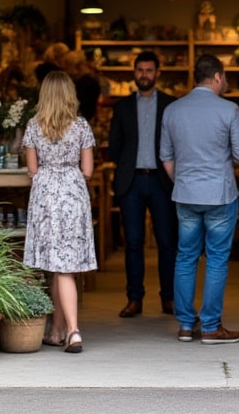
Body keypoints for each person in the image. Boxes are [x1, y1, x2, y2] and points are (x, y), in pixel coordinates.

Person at [160, 53, 239, 345]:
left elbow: (166, 158)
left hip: (185, 193)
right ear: (218, 77)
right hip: (219, 195)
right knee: (216, 259)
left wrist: (185, 182)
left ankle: (186, 325)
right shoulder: (229, 109)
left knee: (185, 257)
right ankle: (211, 326)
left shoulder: (172, 110)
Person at [22, 70, 97, 354]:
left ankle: (72, 330)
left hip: (45, 196)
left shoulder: (33, 125)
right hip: (73, 195)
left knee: (59, 265)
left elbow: (32, 169)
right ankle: (58, 331)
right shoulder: (80, 126)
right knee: (62, 266)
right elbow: (88, 170)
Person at [110, 50, 178, 318]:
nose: (144, 75)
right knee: (134, 242)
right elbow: (114, 148)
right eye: (140, 70)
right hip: (132, 181)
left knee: (167, 242)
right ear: (134, 73)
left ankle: (169, 299)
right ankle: (134, 299)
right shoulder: (122, 106)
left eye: (149, 70)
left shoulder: (171, 105)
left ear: (158, 73)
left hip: (162, 181)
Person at [64, 49, 102, 123]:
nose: (65, 70)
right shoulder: (90, 80)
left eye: (67, 66)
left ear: (76, 66)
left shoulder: (83, 84)